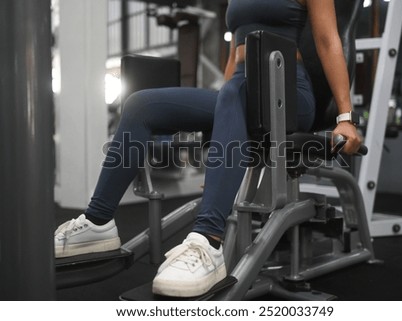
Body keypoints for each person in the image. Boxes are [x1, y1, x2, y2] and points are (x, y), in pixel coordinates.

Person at [54, 0, 362, 297]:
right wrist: (223, 149)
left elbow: (327, 40)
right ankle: (98, 223)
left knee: (234, 92)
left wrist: (345, 117)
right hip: (240, 88)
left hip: (288, 92)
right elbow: (233, 60)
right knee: (140, 105)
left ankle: (207, 242)